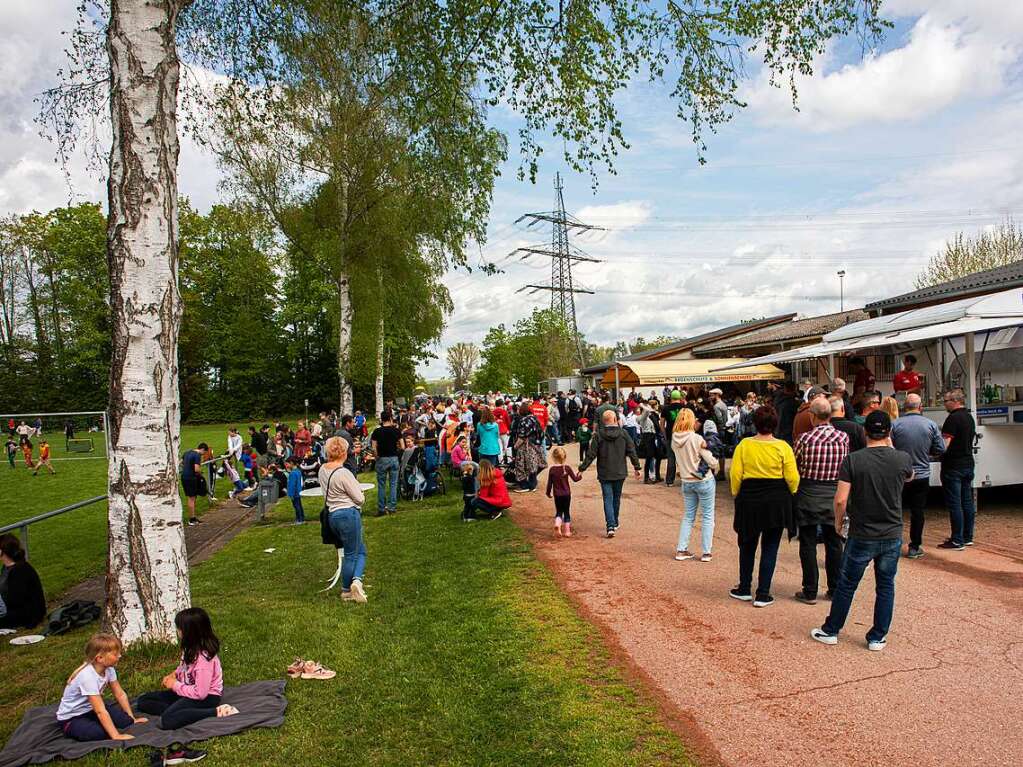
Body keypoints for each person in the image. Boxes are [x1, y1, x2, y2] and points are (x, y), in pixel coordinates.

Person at [811, 411, 913, 651]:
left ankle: (832, 629)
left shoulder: (853, 460)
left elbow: (840, 499)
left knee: (847, 583)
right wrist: (892, 446)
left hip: (862, 532)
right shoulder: (902, 459)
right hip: (891, 532)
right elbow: (910, 476)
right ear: (888, 433)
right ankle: (878, 636)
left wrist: (838, 522)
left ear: (864, 431)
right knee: (886, 585)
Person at [136, 608, 236, 763]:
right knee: (143, 701)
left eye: (179, 628)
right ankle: (182, 712)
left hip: (207, 698)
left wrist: (175, 685)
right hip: (186, 691)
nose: (177, 631)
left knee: (166, 721)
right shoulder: (189, 648)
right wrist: (174, 674)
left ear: (190, 632)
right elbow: (184, 668)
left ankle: (215, 712)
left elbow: (201, 693)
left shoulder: (204, 660)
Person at [729, 406, 799, 607]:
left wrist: (737, 493)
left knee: (747, 544)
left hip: (750, 497)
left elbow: (736, 474)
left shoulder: (745, 445)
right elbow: (792, 478)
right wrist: (791, 492)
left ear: (755, 423)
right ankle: (763, 592)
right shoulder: (783, 447)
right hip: (776, 498)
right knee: (770, 546)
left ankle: (744, 587)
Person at [792, 397, 849, 604]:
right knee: (834, 543)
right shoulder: (843, 438)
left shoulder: (804, 439)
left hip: (809, 492)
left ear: (812, 415)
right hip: (834, 493)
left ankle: (809, 589)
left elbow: (795, 465)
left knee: (807, 543)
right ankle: (834, 588)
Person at [56, 633, 146, 741]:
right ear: (100, 658)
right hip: (72, 717)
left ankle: (97, 722)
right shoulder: (87, 677)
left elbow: (120, 694)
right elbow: (100, 711)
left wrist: (132, 718)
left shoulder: (109, 669)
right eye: (115, 654)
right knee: (98, 733)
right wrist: (116, 736)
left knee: (126, 721)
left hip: (90, 710)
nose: (120, 656)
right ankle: (73, 728)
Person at [890, 393, 944, 558]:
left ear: (904, 408)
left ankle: (893, 544)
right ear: (920, 407)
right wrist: (927, 455)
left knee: (895, 509)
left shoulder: (895, 425)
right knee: (917, 511)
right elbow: (940, 448)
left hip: (899, 474)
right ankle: (914, 546)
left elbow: (888, 447)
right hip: (921, 474)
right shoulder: (930, 425)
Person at [318, 437, 368, 602]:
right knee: (353, 553)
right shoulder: (344, 473)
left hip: (333, 515)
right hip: (348, 514)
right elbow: (359, 498)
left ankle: (356, 582)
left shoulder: (322, 470)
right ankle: (348, 588)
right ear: (344, 453)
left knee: (357, 550)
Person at [578, 409, 641, 538]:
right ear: (614, 420)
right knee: (616, 497)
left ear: (603, 421)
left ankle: (610, 525)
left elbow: (591, 454)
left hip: (604, 472)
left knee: (607, 498)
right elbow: (631, 450)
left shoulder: (599, 435)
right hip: (620, 471)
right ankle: (615, 521)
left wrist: (582, 468)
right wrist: (637, 467)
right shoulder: (623, 433)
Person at [670, 409, 718, 563]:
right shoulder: (696, 438)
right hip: (703, 480)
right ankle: (706, 552)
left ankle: (681, 549)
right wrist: (715, 463)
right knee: (707, 516)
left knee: (688, 516)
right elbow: (711, 461)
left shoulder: (674, 439)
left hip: (686, 481)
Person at [938, 389, 977, 550]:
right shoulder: (969, 417)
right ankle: (967, 536)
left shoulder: (952, 419)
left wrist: (935, 451)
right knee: (967, 501)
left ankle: (957, 539)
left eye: (946, 401)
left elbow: (944, 445)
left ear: (955, 401)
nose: (944, 404)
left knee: (955, 503)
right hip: (968, 462)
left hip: (953, 465)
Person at [0, 534, 46, 629]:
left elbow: (15, 601)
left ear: (2, 551)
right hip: (13, 610)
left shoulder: (20, 570)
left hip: (26, 614)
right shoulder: (6, 568)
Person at [371, 409, 402, 517]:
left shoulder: (376, 432)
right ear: (390, 418)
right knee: (393, 484)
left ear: (381, 419)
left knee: (381, 485)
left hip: (382, 458)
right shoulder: (396, 430)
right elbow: (402, 446)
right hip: (393, 458)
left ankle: (381, 508)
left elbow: (374, 448)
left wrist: (376, 457)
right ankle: (392, 507)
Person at [546, 446, 581, 537]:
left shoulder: (552, 470)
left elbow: (550, 483)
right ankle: (567, 531)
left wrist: (548, 492)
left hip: (557, 495)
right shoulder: (567, 468)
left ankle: (557, 524)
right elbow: (575, 479)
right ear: (564, 457)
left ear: (553, 457)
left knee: (559, 511)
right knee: (566, 512)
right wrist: (579, 475)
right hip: (566, 494)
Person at [512, 402, 545, 492]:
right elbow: (541, 432)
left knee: (521, 465)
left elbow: (521, 437)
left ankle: (524, 485)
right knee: (533, 465)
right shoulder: (534, 418)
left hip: (525, 447)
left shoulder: (523, 420)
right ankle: (532, 484)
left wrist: (515, 446)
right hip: (536, 445)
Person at [660, 391, 686, 487]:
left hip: (671, 436)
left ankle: (670, 481)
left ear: (671, 398)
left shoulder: (665, 409)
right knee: (683, 459)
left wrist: (665, 434)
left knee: (671, 459)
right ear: (680, 397)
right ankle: (686, 479)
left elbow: (661, 424)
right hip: (683, 436)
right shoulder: (684, 408)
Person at [636, 401, 662, 483]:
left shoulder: (648, 416)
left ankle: (657, 476)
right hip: (647, 437)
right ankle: (646, 478)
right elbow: (647, 411)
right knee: (649, 457)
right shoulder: (640, 417)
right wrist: (642, 405)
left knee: (658, 456)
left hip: (652, 436)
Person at [180, 442, 205, 526]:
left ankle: (193, 517)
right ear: (202, 449)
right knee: (192, 498)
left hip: (184, 476)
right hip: (191, 477)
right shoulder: (197, 455)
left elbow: (181, 462)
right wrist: (201, 472)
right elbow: (196, 469)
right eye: (203, 453)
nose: (202, 455)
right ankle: (191, 519)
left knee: (191, 497)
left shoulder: (187, 452)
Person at [285, 457, 305, 524]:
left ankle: (299, 520)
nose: (286, 466)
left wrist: (291, 494)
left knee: (296, 506)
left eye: (287, 464)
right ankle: (302, 518)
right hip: (298, 492)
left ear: (291, 463)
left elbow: (292, 485)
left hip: (294, 493)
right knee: (299, 505)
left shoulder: (293, 473)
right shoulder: (298, 471)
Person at [493, 398, 512, 465]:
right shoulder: (504, 411)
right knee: (507, 446)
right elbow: (508, 422)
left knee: (499, 448)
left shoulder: (493, 412)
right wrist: (509, 429)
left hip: (496, 432)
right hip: (504, 431)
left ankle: (501, 462)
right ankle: (509, 461)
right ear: (501, 404)